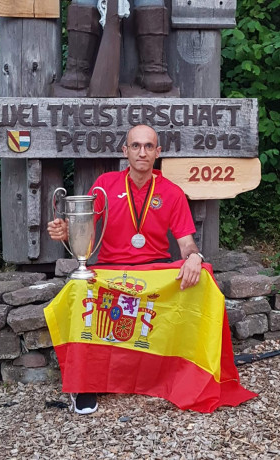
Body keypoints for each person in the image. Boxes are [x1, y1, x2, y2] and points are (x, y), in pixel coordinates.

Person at [47, 124, 204, 414]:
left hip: (154, 273)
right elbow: (87, 236)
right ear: (125, 152)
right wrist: (67, 232)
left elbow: (187, 244)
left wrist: (194, 257)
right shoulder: (105, 185)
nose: (141, 152)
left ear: (158, 152)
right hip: (110, 271)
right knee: (79, 287)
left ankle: (187, 370)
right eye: (135, 146)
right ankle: (84, 383)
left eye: (148, 146)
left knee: (201, 278)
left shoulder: (171, 191)